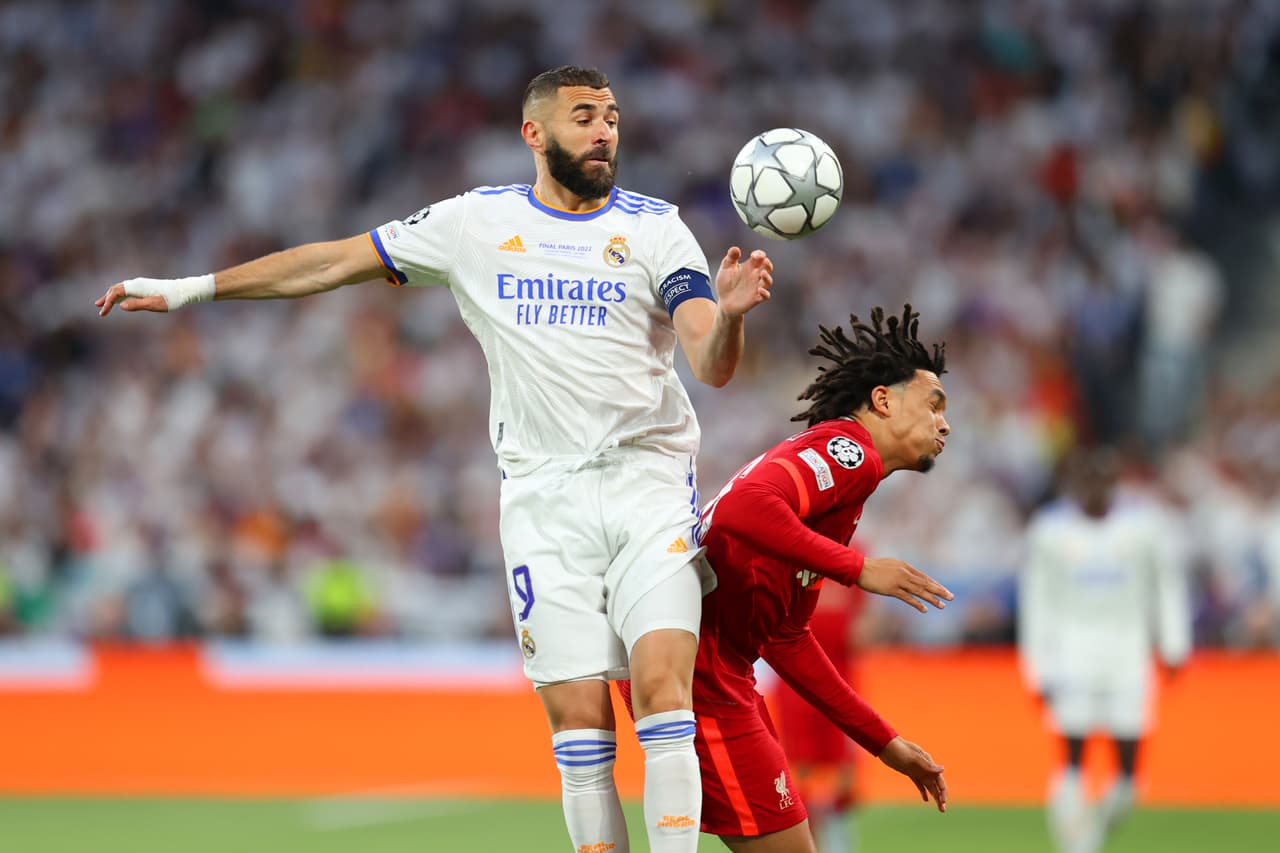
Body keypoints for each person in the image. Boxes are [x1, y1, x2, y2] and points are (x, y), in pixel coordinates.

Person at [95, 65, 775, 853]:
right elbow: (332, 262)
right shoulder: (474, 225)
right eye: (584, 115)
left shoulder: (658, 229)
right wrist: (190, 289)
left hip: (646, 484)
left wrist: (727, 318)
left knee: (663, 694)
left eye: (613, 117)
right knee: (580, 726)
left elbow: (712, 362)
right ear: (535, 132)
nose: (604, 131)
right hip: (542, 502)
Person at [622, 305, 954, 853]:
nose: (945, 423)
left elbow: (786, 637)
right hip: (696, 667)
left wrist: (885, 743)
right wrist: (859, 570)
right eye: (934, 404)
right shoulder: (850, 453)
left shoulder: (843, 484)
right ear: (883, 400)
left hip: (718, 669)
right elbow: (741, 509)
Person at [1019, 448, 1192, 853]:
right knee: (1072, 760)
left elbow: (1166, 587)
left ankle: (1098, 827)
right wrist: (1038, 669)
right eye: (1086, 482)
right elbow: (1037, 602)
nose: (1094, 491)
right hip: (1071, 655)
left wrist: (1173, 644)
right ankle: (1077, 846)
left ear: (1115, 483)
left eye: (1103, 481)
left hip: (1128, 656)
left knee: (1129, 776)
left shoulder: (1144, 528)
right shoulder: (1050, 531)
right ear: (1075, 484)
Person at [768, 578, 865, 853]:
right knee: (797, 771)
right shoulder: (789, 553)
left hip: (838, 685)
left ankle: (834, 841)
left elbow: (863, 629)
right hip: (795, 685)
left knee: (840, 772)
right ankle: (809, 840)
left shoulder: (854, 557)